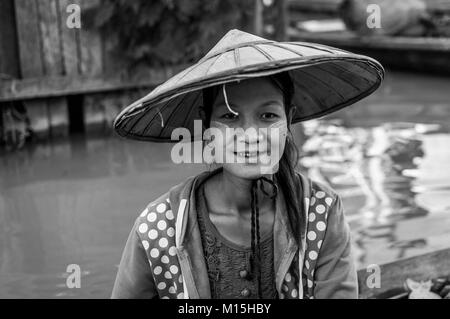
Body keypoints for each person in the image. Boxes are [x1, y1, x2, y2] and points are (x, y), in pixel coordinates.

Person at [111, 29, 384, 299]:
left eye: (268, 115)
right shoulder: (160, 227)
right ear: (207, 127)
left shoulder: (321, 214)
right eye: (229, 117)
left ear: (288, 122)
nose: (251, 136)